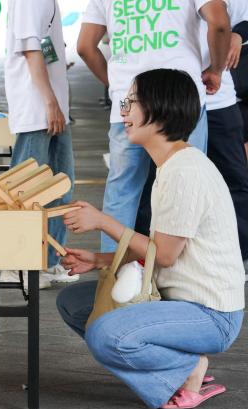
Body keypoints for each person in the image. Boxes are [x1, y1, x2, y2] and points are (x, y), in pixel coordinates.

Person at [57, 69, 244, 409]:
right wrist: (98, 261)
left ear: (161, 109)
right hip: (177, 301)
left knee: (105, 334)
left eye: (131, 102)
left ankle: (189, 369)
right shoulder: (171, 166)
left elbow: (166, 255)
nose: (123, 111)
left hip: (210, 314)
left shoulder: (185, 171)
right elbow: (158, 250)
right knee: (77, 304)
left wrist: (103, 222)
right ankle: (178, 364)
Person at [78, 0, 231, 252]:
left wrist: (118, 87)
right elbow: (220, 23)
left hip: (128, 105)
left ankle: (113, 279)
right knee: (188, 183)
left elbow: (85, 46)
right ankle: (185, 268)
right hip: (180, 98)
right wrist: (215, 70)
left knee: (122, 191)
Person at [3, 0, 77, 288]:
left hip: (52, 107)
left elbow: (44, 48)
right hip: (38, 110)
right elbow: (31, 50)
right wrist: (50, 102)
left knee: (61, 186)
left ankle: (48, 261)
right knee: (27, 192)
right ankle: (17, 263)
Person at [200, 0, 248, 274]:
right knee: (173, 182)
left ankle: (238, 255)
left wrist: (238, 34)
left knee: (234, 180)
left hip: (220, 100)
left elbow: (238, 18)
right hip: (176, 99)